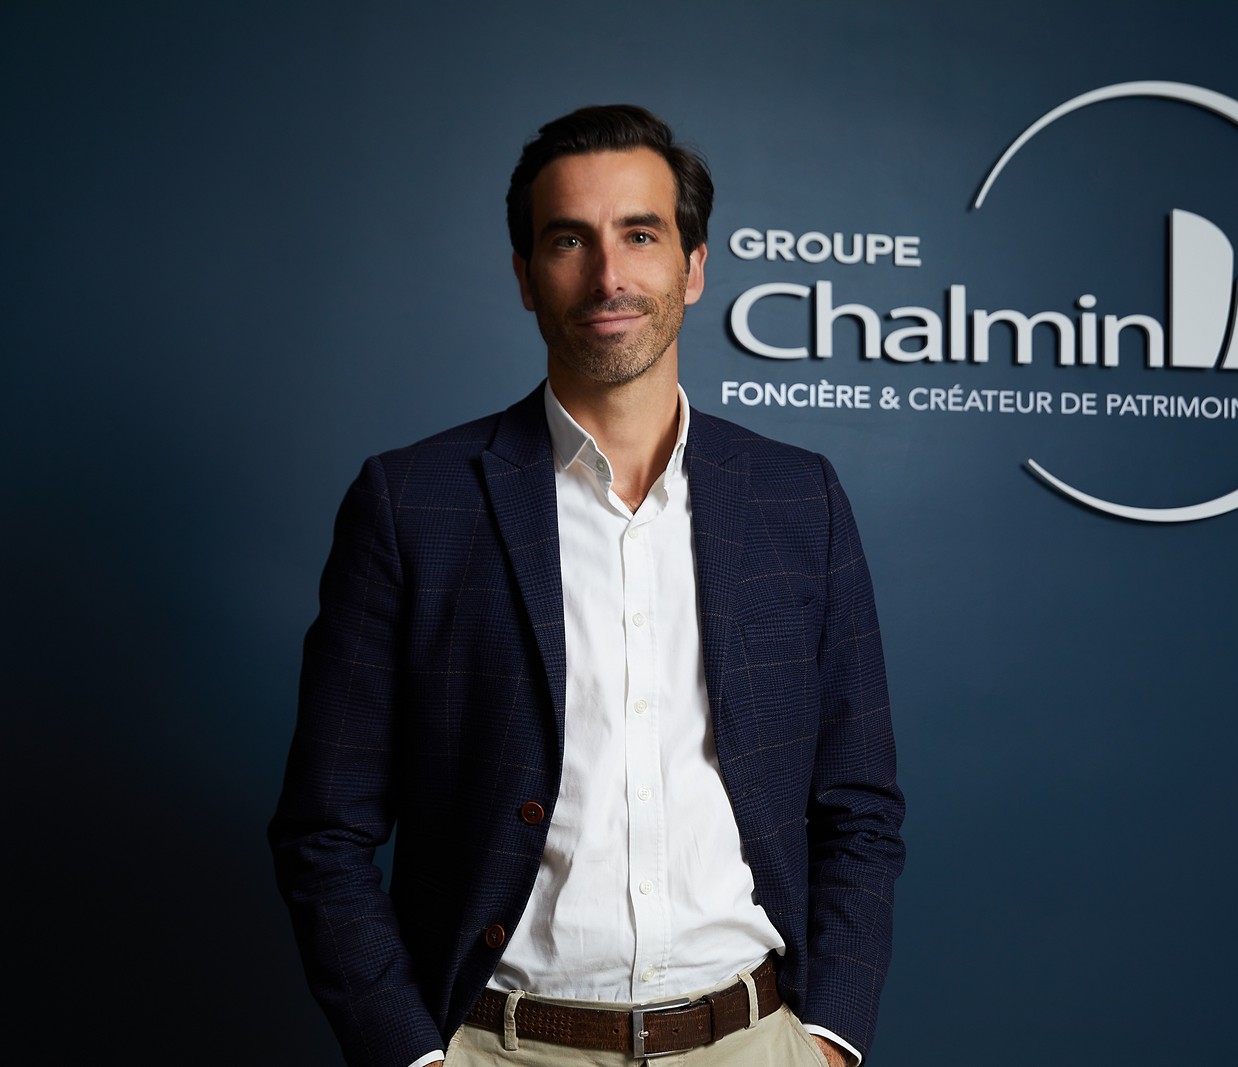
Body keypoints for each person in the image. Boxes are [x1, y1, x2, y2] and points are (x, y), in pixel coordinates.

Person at [268, 105, 905, 1067]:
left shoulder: (797, 496)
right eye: (570, 240)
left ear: (694, 264)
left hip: (754, 1043)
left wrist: (830, 1039)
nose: (609, 275)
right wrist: (412, 1057)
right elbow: (324, 828)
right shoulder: (413, 504)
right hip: (501, 1047)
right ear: (526, 276)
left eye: (641, 234)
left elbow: (859, 806)